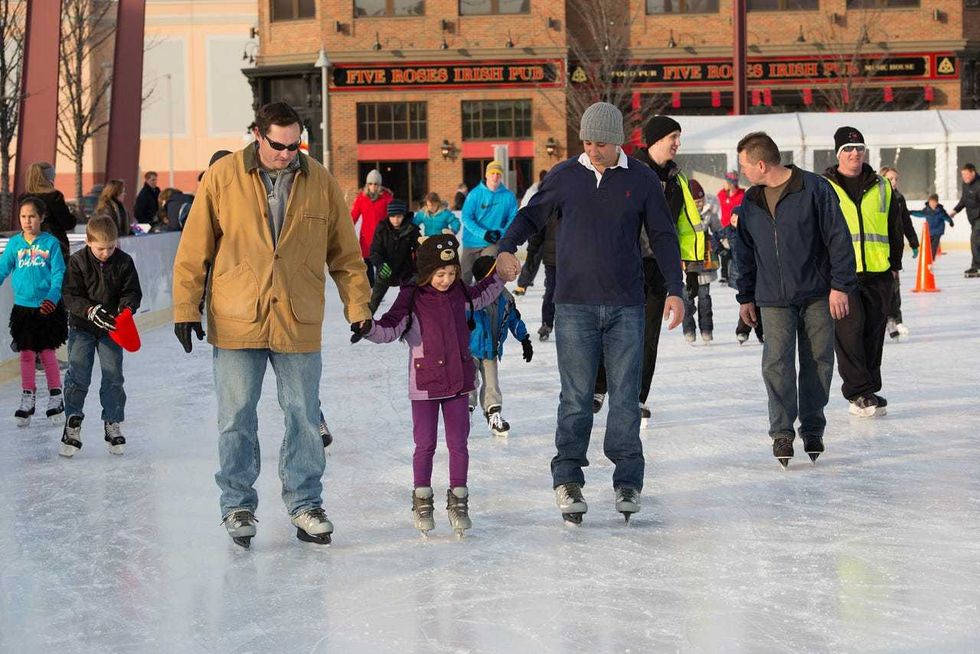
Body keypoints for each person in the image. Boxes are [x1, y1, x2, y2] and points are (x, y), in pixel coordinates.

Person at [172, 101, 372, 548]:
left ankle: (305, 503)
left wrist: (358, 305)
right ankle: (238, 504)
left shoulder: (319, 180)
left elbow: (345, 253)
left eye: (294, 145)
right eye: (278, 145)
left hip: (297, 315)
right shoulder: (223, 179)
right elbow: (193, 249)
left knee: (304, 417)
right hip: (237, 314)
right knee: (236, 417)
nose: (286, 154)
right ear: (258, 136)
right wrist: (186, 308)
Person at [495, 102, 684, 525]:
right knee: (577, 397)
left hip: (627, 305)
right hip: (574, 305)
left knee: (626, 398)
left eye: (599, 143)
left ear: (617, 141)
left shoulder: (642, 179)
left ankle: (628, 480)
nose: (592, 149)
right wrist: (507, 246)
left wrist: (676, 289)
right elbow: (531, 216)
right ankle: (568, 477)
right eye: (586, 142)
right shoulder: (565, 176)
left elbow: (663, 235)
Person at [351, 234, 512, 538]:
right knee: (425, 444)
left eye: (451, 273)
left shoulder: (460, 292)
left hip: (459, 382)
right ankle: (422, 500)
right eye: (440, 274)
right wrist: (369, 327)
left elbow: (483, 293)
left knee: (459, 444)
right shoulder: (411, 296)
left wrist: (501, 276)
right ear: (426, 272)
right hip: (425, 385)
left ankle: (459, 501)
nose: (446, 279)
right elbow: (390, 328)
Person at [734, 132, 856, 467]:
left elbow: (839, 238)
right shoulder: (751, 201)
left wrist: (841, 286)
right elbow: (744, 252)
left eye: (744, 165)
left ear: (761, 164)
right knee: (777, 364)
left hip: (817, 294)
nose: (742, 171)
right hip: (772, 297)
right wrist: (745, 296)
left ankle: (813, 427)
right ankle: (782, 433)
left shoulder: (815, 189)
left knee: (818, 361)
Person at [594, 114, 686, 422]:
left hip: (658, 268)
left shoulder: (676, 179)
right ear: (656, 139)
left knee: (648, 338)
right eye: (673, 137)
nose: (677, 143)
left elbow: (678, 227)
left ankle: (637, 397)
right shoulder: (627, 171)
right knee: (614, 330)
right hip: (624, 265)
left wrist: (684, 268)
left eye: (678, 137)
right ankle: (599, 385)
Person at [824, 126, 904, 418]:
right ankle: (858, 392)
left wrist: (894, 266)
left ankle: (870, 388)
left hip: (878, 272)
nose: (854, 153)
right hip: (842, 276)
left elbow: (894, 227)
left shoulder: (882, 185)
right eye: (848, 149)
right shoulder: (825, 186)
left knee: (873, 333)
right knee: (849, 332)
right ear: (838, 154)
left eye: (858, 148)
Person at [59, 215, 142, 457]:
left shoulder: (124, 262)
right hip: (82, 328)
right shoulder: (77, 261)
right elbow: (70, 295)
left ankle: (112, 421)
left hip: (111, 330)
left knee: (113, 376)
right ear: (87, 242)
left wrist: (124, 311)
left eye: (111, 247)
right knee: (78, 375)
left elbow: (132, 292)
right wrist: (89, 310)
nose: (106, 253)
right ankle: (73, 421)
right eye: (100, 248)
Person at [0, 197, 68, 428]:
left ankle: (56, 394)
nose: (27, 221)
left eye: (31, 216)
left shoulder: (50, 244)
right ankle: (27, 395)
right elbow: (2, 269)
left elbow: (59, 273)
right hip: (23, 308)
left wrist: (52, 297)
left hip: (47, 306)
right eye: (23, 216)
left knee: (48, 353)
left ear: (41, 218)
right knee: (27, 353)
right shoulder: (14, 245)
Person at [467, 255, 533, 437]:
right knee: (469, 383)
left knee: (492, 385)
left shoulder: (506, 297)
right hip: (469, 350)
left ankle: (493, 414)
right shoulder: (471, 296)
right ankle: (464, 415)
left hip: (491, 350)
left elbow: (513, 319)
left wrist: (525, 339)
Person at [460, 161, 518, 283]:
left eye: (498, 173)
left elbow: (513, 218)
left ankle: (483, 301)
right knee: (464, 277)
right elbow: (466, 217)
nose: (495, 176)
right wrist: (483, 233)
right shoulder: (475, 194)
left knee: (485, 276)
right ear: (486, 175)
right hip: (471, 241)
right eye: (492, 173)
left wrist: (500, 232)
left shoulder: (508, 196)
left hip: (492, 241)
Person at [879, 167, 919, 340]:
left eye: (896, 179)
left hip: (894, 249)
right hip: (878, 249)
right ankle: (884, 320)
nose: (894, 182)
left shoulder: (899, 198)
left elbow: (906, 222)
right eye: (890, 179)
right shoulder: (877, 196)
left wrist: (913, 242)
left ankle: (897, 319)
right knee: (881, 288)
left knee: (895, 287)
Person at [681, 179, 719, 343]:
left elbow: (718, 231)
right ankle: (689, 329)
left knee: (704, 299)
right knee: (687, 300)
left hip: (705, 262)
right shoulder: (682, 213)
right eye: (696, 201)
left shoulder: (709, 212)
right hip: (687, 264)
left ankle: (706, 329)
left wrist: (716, 243)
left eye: (701, 200)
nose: (699, 204)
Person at [368, 199, 420, 313]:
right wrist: (380, 264)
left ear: (404, 215)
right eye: (392, 216)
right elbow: (374, 251)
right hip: (385, 269)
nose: (395, 220)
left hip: (405, 271)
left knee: (409, 299)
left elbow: (420, 250)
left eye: (399, 216)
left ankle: (409, 321)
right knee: (373, 302)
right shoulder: (381, 229)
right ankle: (364, 326)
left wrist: (417, 269)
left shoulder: (412, 229)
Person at [22, 162, 77, 263]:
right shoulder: (54, 197)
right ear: (48, 177)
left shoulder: (24, 199)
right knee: (58, 276)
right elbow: (68, 223)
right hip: (55, 245)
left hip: (30, 245)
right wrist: (74, 216)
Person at [350, 168, 393, 286]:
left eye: (375, 184)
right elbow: (353, 216)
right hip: (366, 237)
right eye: (370, 184)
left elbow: (392, 217)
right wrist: (346, 229)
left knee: (380, 264)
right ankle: (372, 287)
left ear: (379, 185)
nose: (373, 186)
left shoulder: (387, 198)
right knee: (367, 263)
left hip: (381, 237)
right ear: (367, 184)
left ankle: (379, 287)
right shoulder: (361, 199)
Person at [514, 169, 549, 295]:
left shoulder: (554, 190)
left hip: (551, 228)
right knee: (533, 256)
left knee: (553, 258)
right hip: (536, 228)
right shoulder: (532, 191)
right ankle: (523, 283)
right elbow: (523, 209)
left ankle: (552, 287)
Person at [949, 163, 980, 277]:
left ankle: (976, 267)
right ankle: (976, 266)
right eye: (962, 175)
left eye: (966, 175)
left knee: (975, 241)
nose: (964, 178)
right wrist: (955, 211)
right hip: (972, 218)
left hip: (978, 219)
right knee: (977, 242)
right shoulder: (965, 184)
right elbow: (964, 200)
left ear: (973, 173)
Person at [716, 170, 744, 283]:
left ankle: (737, 272)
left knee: (736, 250)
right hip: (725, 226)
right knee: (725, 251)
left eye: (730, 182)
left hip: (737, 227)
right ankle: (724, 274)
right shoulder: (722, 194)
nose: (727, 184)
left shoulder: (742, 195)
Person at [910, 194, 952, 259]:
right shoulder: (926, 211)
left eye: (934, 202)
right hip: (929, 231)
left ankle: (931, 258)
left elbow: (946, 217)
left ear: (937, 203)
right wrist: (911, 212)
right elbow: (919, 213)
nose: (932, 204)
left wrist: (950, 222)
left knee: (934, 246)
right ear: (928, 202)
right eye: (930, 202)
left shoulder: (941, 211)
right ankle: (927, 258)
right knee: (928, 246)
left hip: (938, 231)